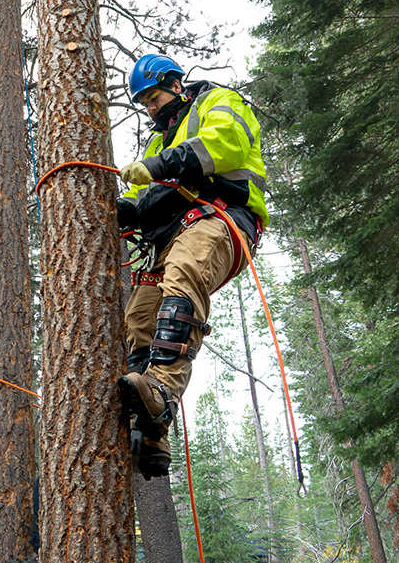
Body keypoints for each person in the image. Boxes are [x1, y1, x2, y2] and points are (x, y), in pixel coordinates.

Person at [115, 53, 269, 480]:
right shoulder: (157, 141)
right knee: (140, 318)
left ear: (175, 84)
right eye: (143, 102)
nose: (150, 107)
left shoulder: (217, 102)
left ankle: (162, 390)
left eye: (154, 96)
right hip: (169, 237)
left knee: (184, 271)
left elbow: (225, 143)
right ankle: (151, 434)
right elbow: (145, 198)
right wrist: (123, 210)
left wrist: (161, 166)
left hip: (220, 217)